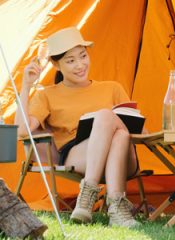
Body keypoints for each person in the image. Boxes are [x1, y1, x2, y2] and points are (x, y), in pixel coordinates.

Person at [15, 27, 139, 228]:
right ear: (56, 64)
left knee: (116, 128)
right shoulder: (47, 95)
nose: (80, 65)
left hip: (125, 157)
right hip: (78, 154)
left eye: (83, 56)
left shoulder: (112, 87)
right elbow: (22, 131)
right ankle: (118, 210)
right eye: (71, 60)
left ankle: (87, 195)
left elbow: (141, 129)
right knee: (118, 133)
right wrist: (26, 86)